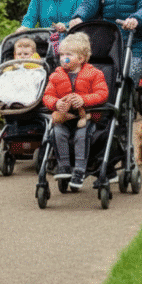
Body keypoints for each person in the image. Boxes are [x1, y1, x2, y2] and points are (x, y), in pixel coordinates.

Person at [43, 32, 109, 189]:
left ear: (81, 58)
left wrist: (84, 100)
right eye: (62, 55)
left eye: (68, 55)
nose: (63, 58)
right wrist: (56, 103)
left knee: (81, 135)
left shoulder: (94, 74)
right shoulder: (56, 76)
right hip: (65, 116)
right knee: (57, 132)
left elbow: (102, 94)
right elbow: (48, 96)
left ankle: (79, 170)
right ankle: (64, 166)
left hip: (87, 117)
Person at [0, 37, 46, 110]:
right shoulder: (12, 66)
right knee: (3, 81)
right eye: (19, 54)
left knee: (25, 83)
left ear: (33, 55)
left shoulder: (36, 65)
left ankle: (20, 102)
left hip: (28, 80)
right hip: (13, 80)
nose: (22, 56)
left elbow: (40, 74)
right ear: (15, 55)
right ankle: (0, 100)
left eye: (26, 54)